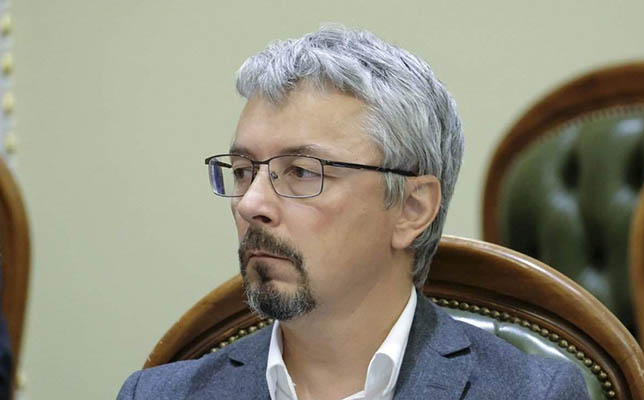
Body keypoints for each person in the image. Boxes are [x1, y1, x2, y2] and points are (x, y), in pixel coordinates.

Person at [117, 25, 589, 399]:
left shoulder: (531, 392)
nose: (251, 203)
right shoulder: (159, 394)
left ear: (411, 208)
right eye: (242, 171)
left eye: (302, 172)